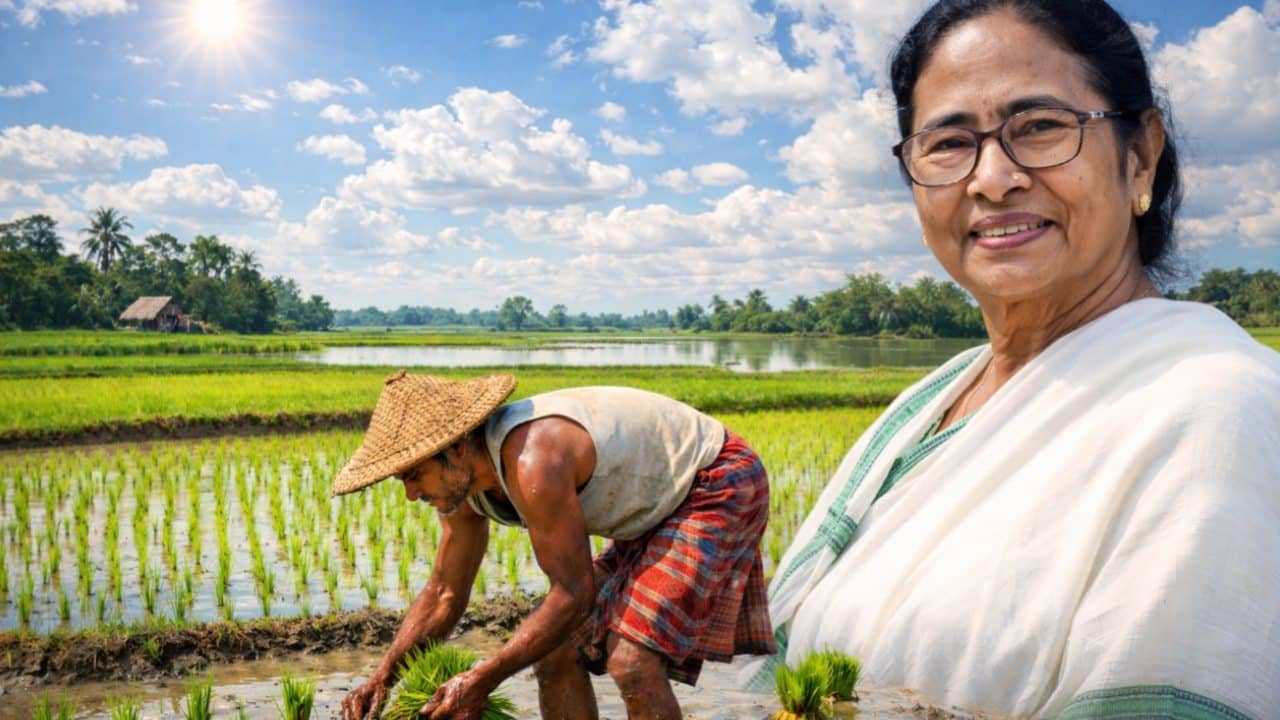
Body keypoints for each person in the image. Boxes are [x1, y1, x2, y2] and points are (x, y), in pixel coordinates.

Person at [746, 1, 1280, 717]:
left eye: (1040, 127)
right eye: (947, 144)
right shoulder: (932, 401)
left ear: (1140, 155)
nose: (992, 178)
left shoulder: (1215, 415)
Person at [337, 371, 774, 720]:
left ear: (454, 447)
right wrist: (383, 676)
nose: (411, 493)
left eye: (414, 475)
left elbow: (573, 593)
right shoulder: (462, 488)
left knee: (632, 659)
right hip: (652, 508)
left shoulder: (533, 462)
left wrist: (482, 678)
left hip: (714, 480)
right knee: (555, 653)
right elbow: (444, 593)